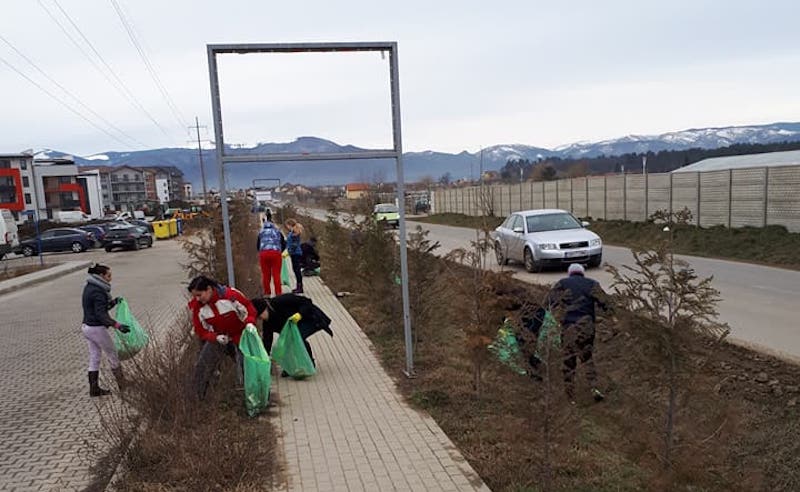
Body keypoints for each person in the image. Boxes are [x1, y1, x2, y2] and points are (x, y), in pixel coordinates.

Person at [547, 263, 612, 403]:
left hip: (568, 328)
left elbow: (550, 301)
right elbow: (606, 304)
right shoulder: (592, 284)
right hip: (587, 328)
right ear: (583, 273)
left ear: (570, 273)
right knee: (587, 358)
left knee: (569, 361)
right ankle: (594, 387)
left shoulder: (562, 283)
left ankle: (570, 397)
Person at [187, 275, 257, 399]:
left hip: (239, 335)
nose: (197, 299)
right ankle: (197, 399)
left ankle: (252, 397)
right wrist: (215, 337)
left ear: (208, 289)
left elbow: (250, 309)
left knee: (245, 366)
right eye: (195, 296)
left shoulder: (230, 296)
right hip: (219, 338)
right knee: (202, 366)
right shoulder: (198, 308)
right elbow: (201, 331)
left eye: (199, 294)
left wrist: (250, 323)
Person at [81, 263, 130, 397]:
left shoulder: (90, 286)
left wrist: (113, 302)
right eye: (109, 275)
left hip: (87, 327)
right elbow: (100, 315)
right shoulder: (98, 291)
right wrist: (118, 325)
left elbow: (99, 308)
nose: (110, 278)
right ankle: (122, 384)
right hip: (96, 328)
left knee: (94, 356)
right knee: (112, 354)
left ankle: (94, 389)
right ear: (101, 276)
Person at [251, 294, 333, 369]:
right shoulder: (268, 322)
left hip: (311, 318)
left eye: (260, 317)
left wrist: (300, 314)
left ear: (264, 309)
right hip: (296, 325)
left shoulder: (280, 301)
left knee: (297, 338)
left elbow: (307, 301)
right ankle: (292, 366)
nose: (260, 319)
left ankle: (309, 363)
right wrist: (265, 356)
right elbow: (267, 339)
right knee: (288, 340)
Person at [257, 219, 286, 296]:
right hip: (276, 253)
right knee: (276, 274)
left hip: (264, 254)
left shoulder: (261, 232)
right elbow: (284, 243)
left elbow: (258, 245)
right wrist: (280, 251)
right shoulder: (278, 232)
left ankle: (267, 293)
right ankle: (278, 293)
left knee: (265, 275)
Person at [284, 219, 304, 294]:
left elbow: (294, 245)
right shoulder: (293, 233)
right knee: (296, 270)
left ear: (290, 225)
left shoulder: (295, 233)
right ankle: (298, 286)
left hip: (295, 254)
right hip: (295, 253)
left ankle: (300, 287)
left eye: (287, 226)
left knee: (297, 270)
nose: (287, 227)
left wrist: (289, 252)